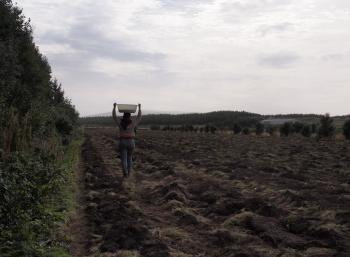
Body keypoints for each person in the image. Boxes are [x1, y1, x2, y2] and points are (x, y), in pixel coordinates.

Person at [112, 102, 142, 178]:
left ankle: (124, 172)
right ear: (130, 116)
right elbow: (139, 117)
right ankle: (128, 173)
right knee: (130, 158)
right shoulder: (133, 123)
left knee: (124, 158)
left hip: (122, 142)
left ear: (123, 115)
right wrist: (139, 108)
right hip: (131, 142)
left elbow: (114, 116)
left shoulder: (120, 123)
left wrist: (114, 107)